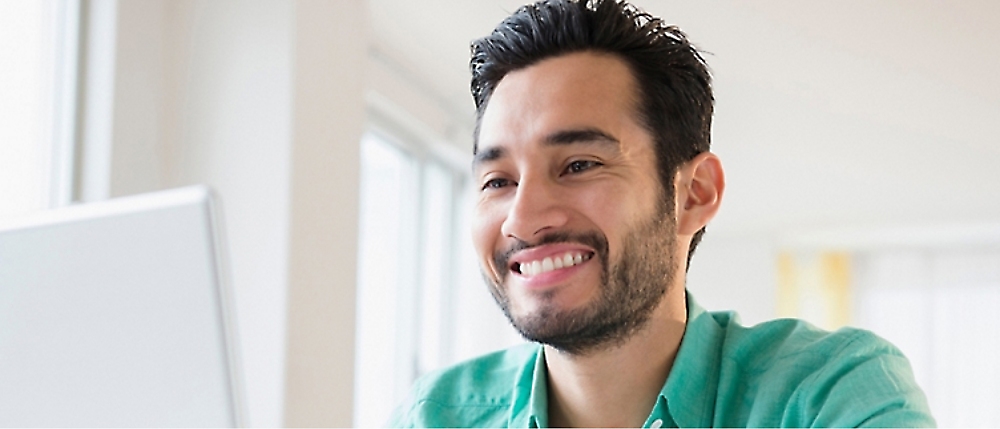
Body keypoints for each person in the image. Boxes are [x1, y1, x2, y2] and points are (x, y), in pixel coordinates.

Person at [389, 0, 935, 427]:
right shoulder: (434, 415)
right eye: (498, 181)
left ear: (695, 193)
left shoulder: (828, 394)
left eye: (579, 164)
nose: (523, 219)